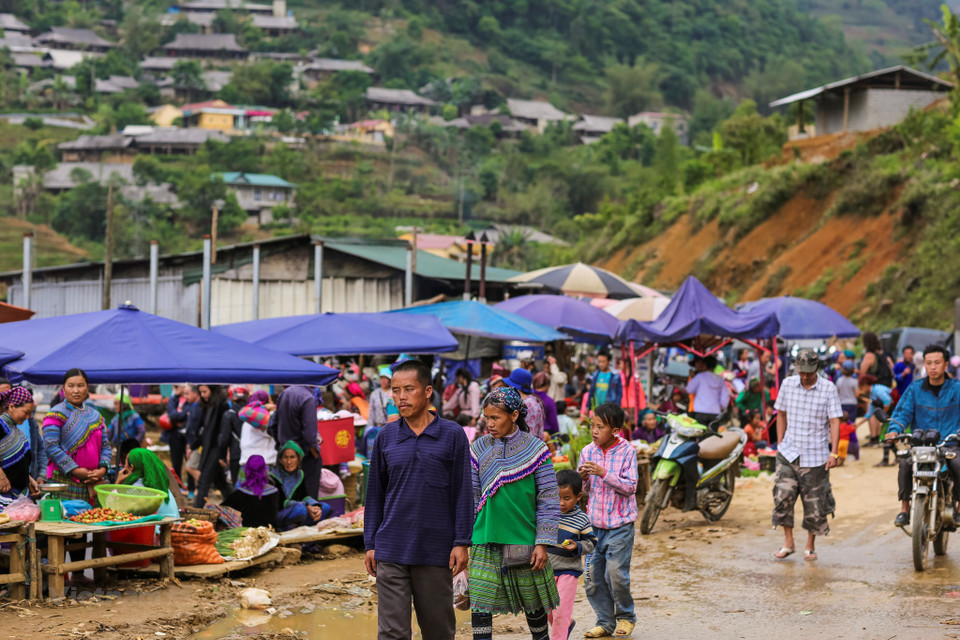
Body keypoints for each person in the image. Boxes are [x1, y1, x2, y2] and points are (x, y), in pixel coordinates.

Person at [365, 358, 472, 640]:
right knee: (392, 633)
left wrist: (461, 541)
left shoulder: (452, 435)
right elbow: (374, 494)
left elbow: (463, 491)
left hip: (435, 550)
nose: (401, 397)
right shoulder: (385, 437)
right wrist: (370, 543)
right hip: (391, 548)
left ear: (427, 392)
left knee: (438, 631)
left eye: (409, 389)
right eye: (396, 390)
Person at [469, 387, 560, 640]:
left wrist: (542, 542)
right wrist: (462, 539)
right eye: (486, 417)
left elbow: (549, 499)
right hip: (484, 537)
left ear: (514, 415)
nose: (489, 423)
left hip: (524, 538)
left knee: (534, 605)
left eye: (495, 417)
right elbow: (472, 497)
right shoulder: (478, 448)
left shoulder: (537, 449)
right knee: (480, 605)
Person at [771, 349, 843, 562]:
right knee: (783, 496)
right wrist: (780, 442)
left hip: (816, 456)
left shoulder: (828, 389)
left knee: (814, 503)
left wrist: (834, 452)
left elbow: (834, 421)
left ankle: (810, 545)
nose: (805, 377)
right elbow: (780, 414)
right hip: (788, 452)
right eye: (802, 372)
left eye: (809, 373)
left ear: (817, 369)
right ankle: (788, 542)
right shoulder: (787, 385)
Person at [578, 403, 637, 638]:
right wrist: (581, 478)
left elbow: (631, 487)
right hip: (594, 527)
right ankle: (604, 621)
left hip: (620, 526)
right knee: (592, 579)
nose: (594, 431)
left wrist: (604, 473)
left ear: (614, 430)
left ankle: (625, 617)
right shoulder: (587, 451)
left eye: (600, 427)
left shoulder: (627, 452)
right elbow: (581, 491)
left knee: (615, 574)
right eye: (592, 425)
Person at [886, 344, 960, 526]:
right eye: (929, 363)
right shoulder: (915, 389)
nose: (933, 367)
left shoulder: (957, 389)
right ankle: (904, 508)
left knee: (958, 464)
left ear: (945, 365)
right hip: (921, 443)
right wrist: (894, 430)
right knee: (904, 463)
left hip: (949, 443)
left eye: (937, 363)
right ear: (924, 365)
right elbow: (902, 412)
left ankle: (958, 507)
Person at [42, 369, 110, 504]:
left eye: (80, 385)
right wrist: (75, 470)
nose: (76, 390)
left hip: (93, 483)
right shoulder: (55, 414)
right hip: (63, 483)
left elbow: (105, 447)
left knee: (91, 520)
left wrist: (102, 469)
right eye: (71, 386)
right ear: (63, 389)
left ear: (87, 388)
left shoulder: (96, 416)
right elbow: (51, 446)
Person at [547, 469, 597, 640]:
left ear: (578, 497)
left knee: (560, 611)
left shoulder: (581, 519)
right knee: (549, 612)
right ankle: (567, 625)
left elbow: (592, 542)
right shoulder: (547, 514)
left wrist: (577, 546)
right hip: (546, 571)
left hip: (569, 570)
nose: (561, 503)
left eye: (566, 498)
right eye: (557, 497)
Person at [274, 385, 322, 499]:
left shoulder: (283, 394)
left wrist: (282, 447)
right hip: (304, 456)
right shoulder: (308, 398)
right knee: (308, 497)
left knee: (287, 496)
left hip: (285, 452)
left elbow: (272, 425)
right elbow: (309, 436)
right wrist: (314, 452)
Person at [271, 441, 330, 530]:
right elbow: (281, 503)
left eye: (292, 457)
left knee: (324, 507)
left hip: (298, 509)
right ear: (280, 460)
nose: (289, 462)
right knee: (300, 510)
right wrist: (306, 506)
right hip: (280, 514)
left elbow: (304, 496)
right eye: (285, 458)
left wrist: (315, 506)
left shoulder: (299, 474)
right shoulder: (274, 476)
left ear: (299, 459)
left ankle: (306, 532)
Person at [191, 384, 232, 508]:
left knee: (204, 481)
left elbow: (222, 432)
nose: (203, 395)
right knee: (221, 483)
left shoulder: (221, 405)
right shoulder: (210, 405)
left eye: (205, 392)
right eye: (201, 392)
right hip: (211, 448)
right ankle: (236, 506)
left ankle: (197, 512)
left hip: (216, 448)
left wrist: (223, 453)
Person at [0, 387, 40, 506]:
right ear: (12, 407)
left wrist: (28, 479)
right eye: (26, 412)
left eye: (31, 413)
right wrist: (1, 476)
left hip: (19, 495)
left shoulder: (16, 430)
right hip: (4, 495)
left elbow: (18, 462)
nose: (28, 416)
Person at [118, 448, 180, 520]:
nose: (124, 466)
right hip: (172, 527)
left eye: (125, 463)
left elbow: (116, 510)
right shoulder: (159, 485)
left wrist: (117, 482)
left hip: (158, 530)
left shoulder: (137, 488)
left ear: (131, 467)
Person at [222, 454, 279, 528]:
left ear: (246, 470)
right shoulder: (274, 492)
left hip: (246, 534)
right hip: (269, 533)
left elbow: (222, 510)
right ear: (264, 470)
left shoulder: (240, 493)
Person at [169, 384, 201, 494]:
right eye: (174, 386)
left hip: (189, 438)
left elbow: (189, 419)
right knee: (176, 462)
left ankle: (193, 489)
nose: (175, 388)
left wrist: (181, 414)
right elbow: (172, 415)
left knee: (190, 464)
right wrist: (183, 414)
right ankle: (179, 488)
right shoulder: (173, 400)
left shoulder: (193, 405)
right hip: (175, 436)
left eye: (177, 386)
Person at [504, 368, 547, 440]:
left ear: (514, 387)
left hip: (528, 449)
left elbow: (530, 435)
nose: (508, 388)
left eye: (509, 385)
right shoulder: (527, 401)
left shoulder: (529, 405)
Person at [687, 356, 730, 426]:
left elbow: (689, 389)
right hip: (715, 412)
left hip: (700, 412)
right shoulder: (720, 380)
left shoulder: (700, 377)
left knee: (700, 435)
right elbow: (725, 399)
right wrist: (720, 407)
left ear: (704, 365)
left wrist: (692, 378)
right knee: (712, 436)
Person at [218, 387, 248, 487]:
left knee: (237, 483)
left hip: (236, 453)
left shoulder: (228, 415)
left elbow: (224, 439)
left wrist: (222, 456)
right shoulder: (253, 415)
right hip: (252, 453)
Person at [238, 390, 277, 467]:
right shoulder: (267, 417)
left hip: (246, 463)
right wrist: (274, 409)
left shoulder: (248, 419)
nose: (272, 402)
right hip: (263, 465)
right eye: (270, 400)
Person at [857, 374, 892, 449]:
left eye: (861, 387)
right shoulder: (872, 393)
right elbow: (869, 413)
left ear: (866, 385)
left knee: (875, 418)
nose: (860, 389)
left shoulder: (877, 390)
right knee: (873, 417)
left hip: (893, 409)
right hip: (888, 409)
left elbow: (888, 401)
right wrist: (858, 424)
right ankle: (874, 439)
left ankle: (876, 439)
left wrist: (882, 414)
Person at [835, 360, 859, 428]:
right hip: (852, 404)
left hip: (841, 403)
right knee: (852, 423)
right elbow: (857, 394)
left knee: (842, 422)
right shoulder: (854, 381)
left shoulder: (839, 380)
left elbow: (836, 392)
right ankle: (852, 436)